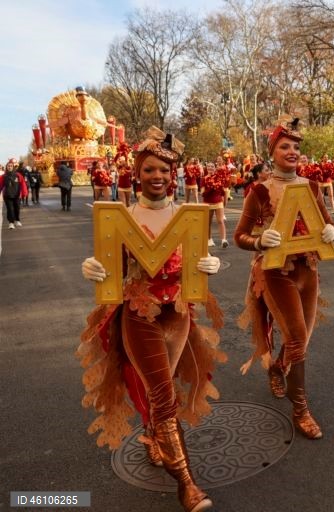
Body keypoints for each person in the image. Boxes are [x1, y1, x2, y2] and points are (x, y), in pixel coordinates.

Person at [79, 127, 224, 512]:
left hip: (177, 315)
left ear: (173, 174)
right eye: (149, 170)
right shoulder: (122, 217)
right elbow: (111, 265)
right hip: (139, 313)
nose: (157, 176)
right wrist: (92, 266)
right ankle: (188, 484)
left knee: (164, 389)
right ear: (137, 174)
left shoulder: (188, 217)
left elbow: (196, 264)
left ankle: (152, 433)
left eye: (164, 169)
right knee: (162, 393)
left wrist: (212, 263)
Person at [235, 117, 334, 439]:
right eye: (284, 146)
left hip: (308, 269)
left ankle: (279, 367)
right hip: (276, 273)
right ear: (272, 151)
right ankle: (301, 410)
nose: (292, 151)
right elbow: (240, 236)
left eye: (296, 147)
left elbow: (325, 222)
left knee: (302, 340)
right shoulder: (260, 192)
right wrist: (259, 241)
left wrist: (331, 231)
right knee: (296, 339)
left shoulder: (311, 187)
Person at [201, 162, 228, 248]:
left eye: (212, 166)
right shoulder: (203, 179)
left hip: (218, 201)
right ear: (206, 168)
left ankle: (223, 240)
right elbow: (202, 193)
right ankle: (209, 239)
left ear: (215, 168)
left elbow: (223, 191)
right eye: (208, 166)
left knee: (220, 221)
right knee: (208, 223)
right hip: (207, 202)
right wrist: (210, 188)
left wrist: (221, 191)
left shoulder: (219, 178)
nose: (210, 168)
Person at [0, 159, 27, 229]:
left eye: (11, 166)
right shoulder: (3, 176)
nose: (9, 167)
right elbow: (0, 185)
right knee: (10, 209)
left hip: (17, 195)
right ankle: (11, 223)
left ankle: (17, 220)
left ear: (13, 167)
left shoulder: (18, 175)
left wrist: (24, 192)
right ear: (6, 167)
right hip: (7, 195)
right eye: (8, 166)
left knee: (17, 209)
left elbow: (23, 184)